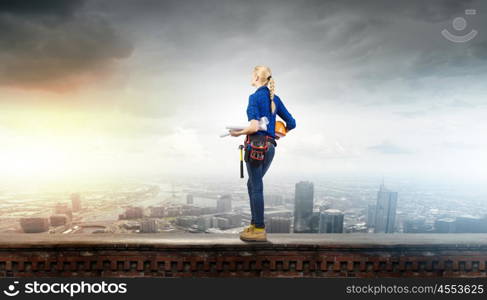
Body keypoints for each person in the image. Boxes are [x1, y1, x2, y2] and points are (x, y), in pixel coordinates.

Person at [229, 65, 296, 242]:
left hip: (256, 148)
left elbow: (254, 127)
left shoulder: (254, 98)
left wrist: (237, 133)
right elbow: (292, 123)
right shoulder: (275, 99)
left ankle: (259, 228)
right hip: (270, 147)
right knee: (253, 184)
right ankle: (254, 224)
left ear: (258, 77)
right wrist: (279, 131)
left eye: (252, 75)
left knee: (256, 186)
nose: (250, 78)